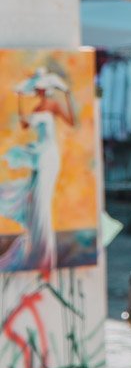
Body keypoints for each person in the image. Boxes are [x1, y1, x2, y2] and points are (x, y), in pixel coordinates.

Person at [0, 68, 75, 274]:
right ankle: (38, 249)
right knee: (35, 200)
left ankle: (44, 252)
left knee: (42, 200)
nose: (39, 92)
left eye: (41, 89)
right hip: (39, 157)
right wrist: (18, 100)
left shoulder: (53, 105)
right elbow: (24, 125)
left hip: (49, 156)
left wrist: (67, 95)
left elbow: (71, 121)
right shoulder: (36, 108)